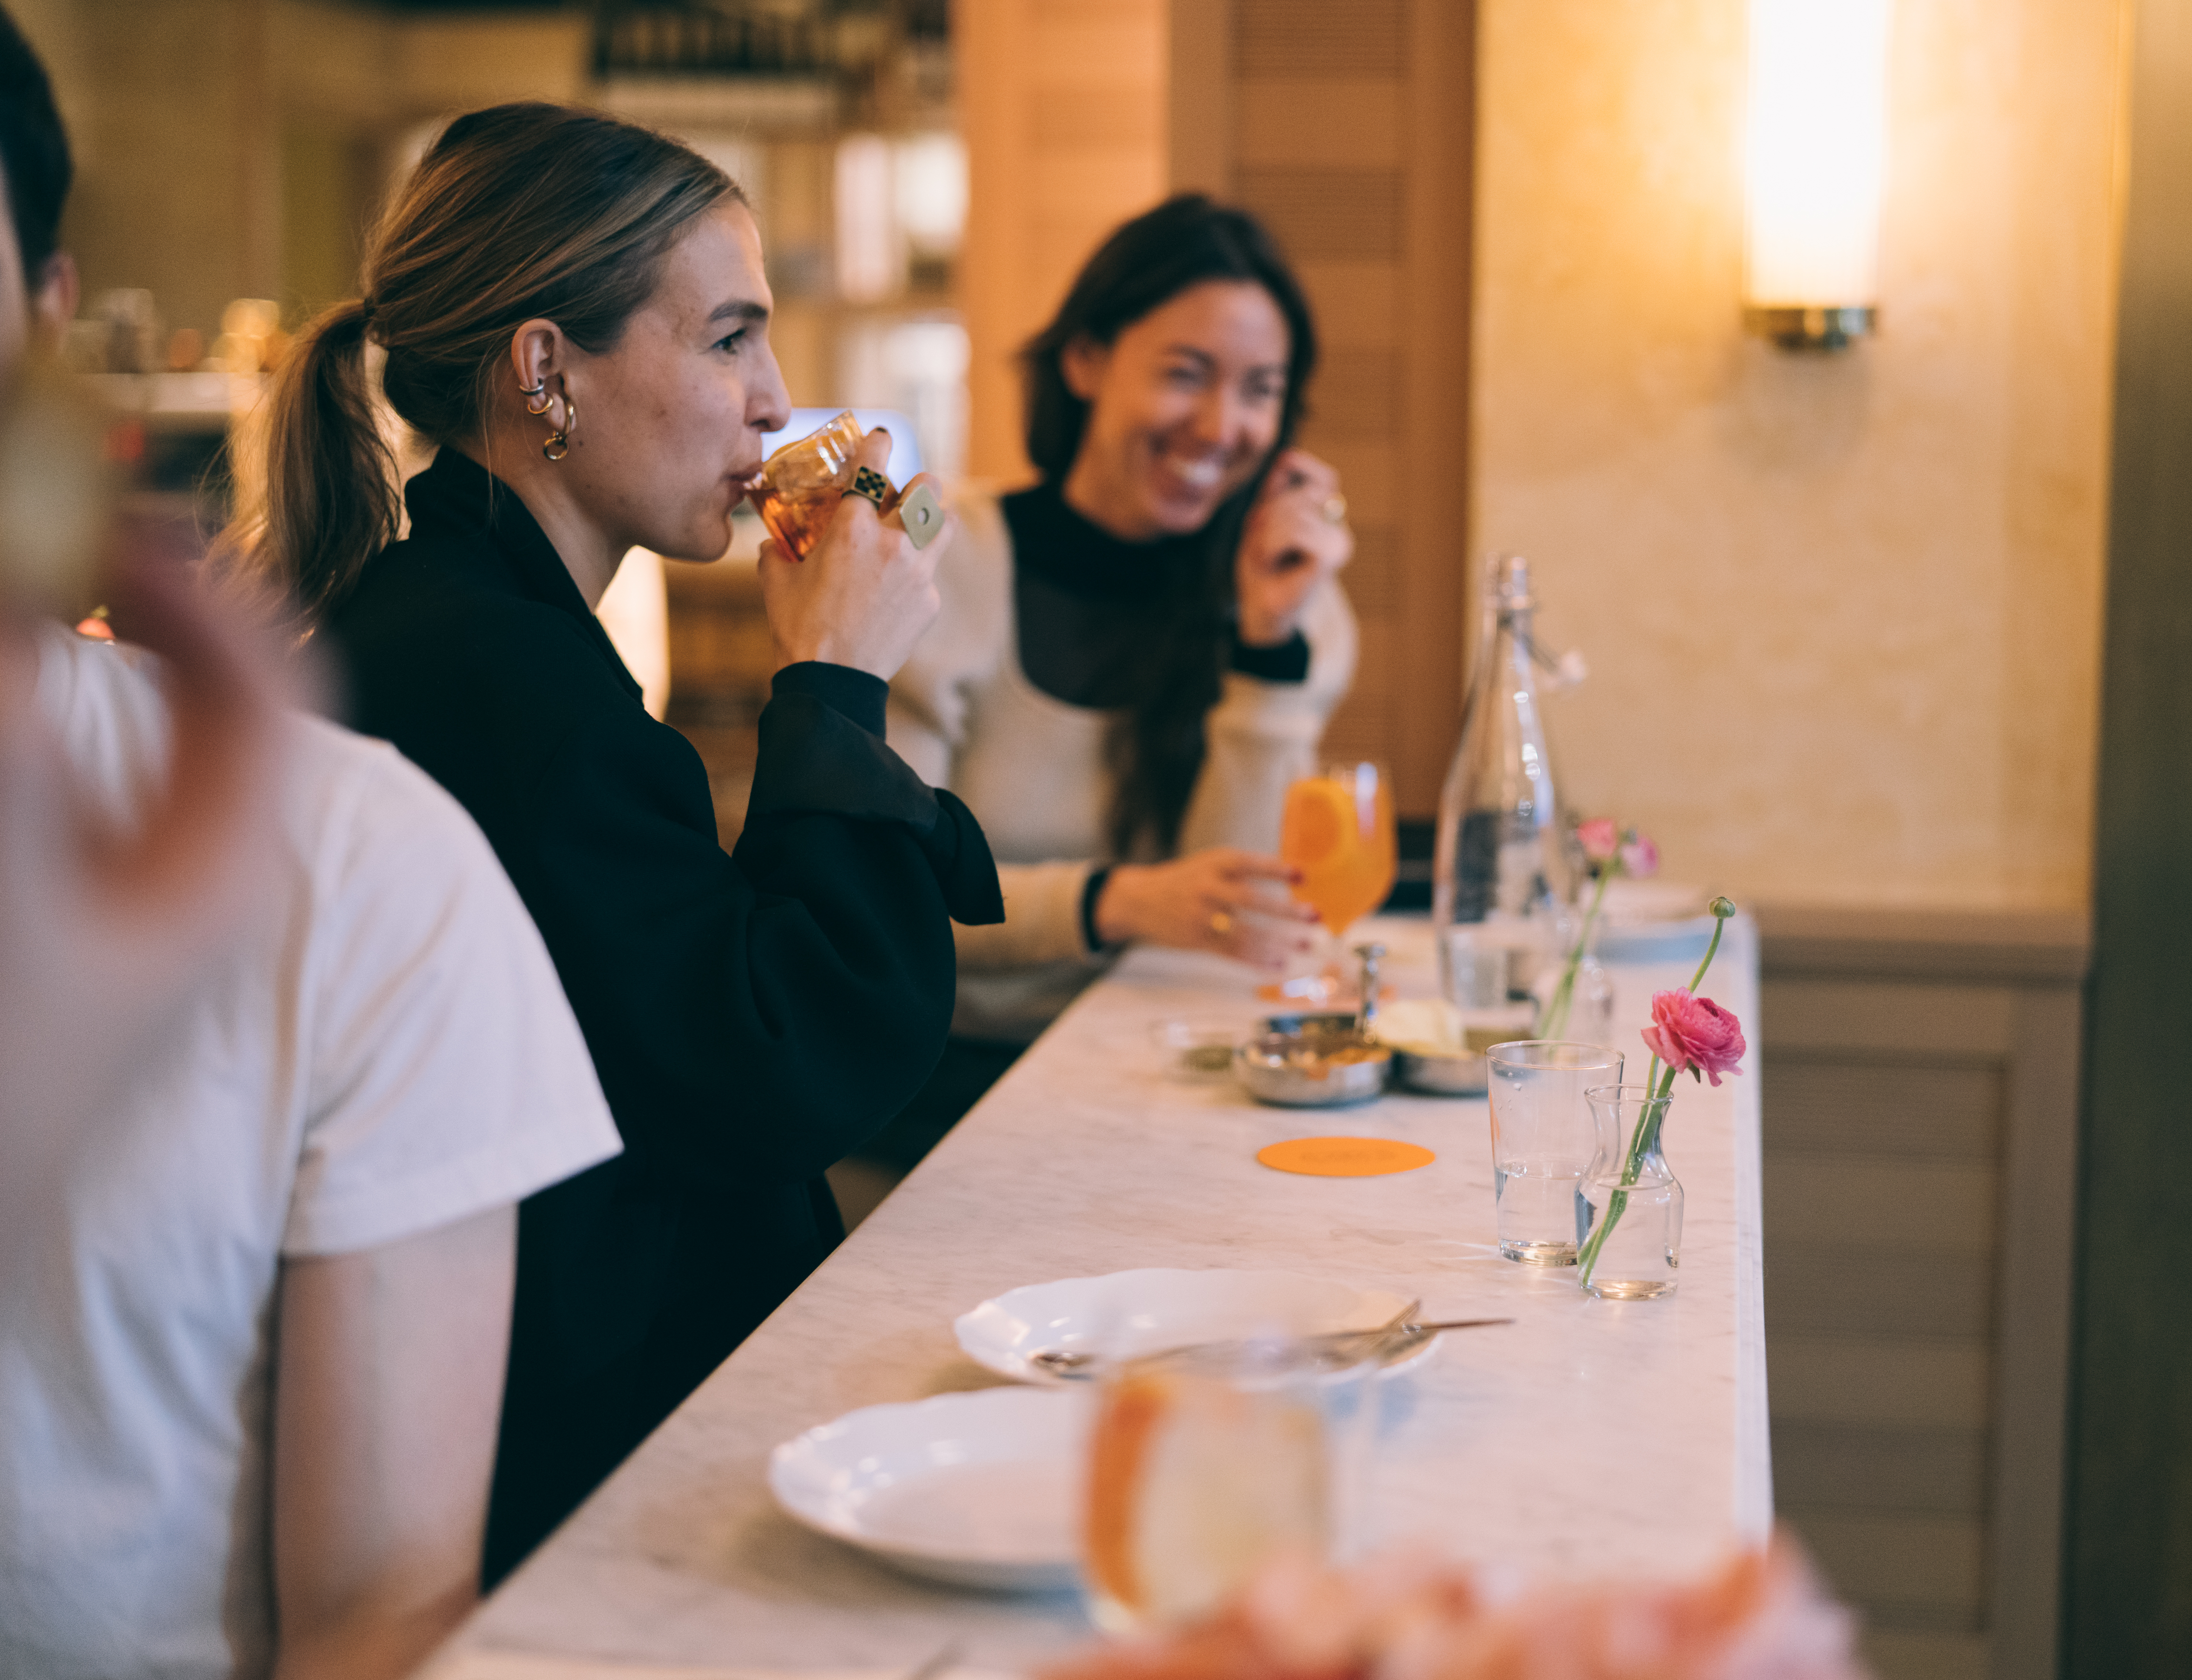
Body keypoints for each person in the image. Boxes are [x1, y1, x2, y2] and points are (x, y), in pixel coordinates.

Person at [230, 103, 1004, 1581]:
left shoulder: (452, 622)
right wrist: (835, 683)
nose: (775, 401)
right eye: (726, 338)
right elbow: (769, 1065)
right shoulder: (496, 672)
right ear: (545, 370)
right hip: (574, 1473)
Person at [0, 21, 625, 1679]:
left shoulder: (355, 871)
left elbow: (375, 1621)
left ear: (44, 329)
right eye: (729, 335)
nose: (776, 401)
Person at [877, 195, 1356, 1161]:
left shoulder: (1299, 608)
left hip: (1167, 1097)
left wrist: (1267, 649)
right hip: (930, 1097)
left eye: (1261, 389)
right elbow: (881, 905)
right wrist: (1113, 900)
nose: (1223, 424)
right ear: (1086, 360)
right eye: (1187, 375)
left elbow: (1236, 919)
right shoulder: (940, 558)